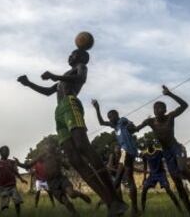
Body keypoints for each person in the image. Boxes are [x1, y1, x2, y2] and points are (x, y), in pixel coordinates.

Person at [17, 48, 127, 216]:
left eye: (73, 54)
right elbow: (48, 92)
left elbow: (81, 78)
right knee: (74, 159)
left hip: (70, 104)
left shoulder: (81, 67)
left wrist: (55, 76)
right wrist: (29, 83)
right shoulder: (63, 78)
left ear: (81, 56)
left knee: (83, 146)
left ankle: (115, 197)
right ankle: (110, 202)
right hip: (59, 112)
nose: (69, 56)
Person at [135, 85, 190, 217]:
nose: (157, 110)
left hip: (176, 147)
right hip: (166, 153)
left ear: (165, 110)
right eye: (155, 108)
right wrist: (129, 128)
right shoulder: (150, 121)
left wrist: (170, 94)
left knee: (183, 169)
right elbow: (137, 128)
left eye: (160, 108)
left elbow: (185, 105)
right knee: (177, 183)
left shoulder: (170, 117)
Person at [15, 141, 91, 217]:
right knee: (66, 202)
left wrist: (64, 161)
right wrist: (19, 164)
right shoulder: (42, 157)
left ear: (53, 149)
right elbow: (28, 165)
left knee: (72, 194)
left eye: (50, 148)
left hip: (61, 179)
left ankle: (81, 195)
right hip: (52, 183)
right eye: (47, 148)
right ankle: (75, 214)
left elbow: (67, 167)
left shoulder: (57, 157)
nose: (48, 150)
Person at [92, 99, 139, 216]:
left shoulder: (122, 121)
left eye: (111, 116)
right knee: (129, 178)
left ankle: (110, 204)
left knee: (117, 178)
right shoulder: (115, 127)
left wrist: (131, 125)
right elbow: (102, 123)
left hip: (127, 151)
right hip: (129, 152)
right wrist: (97, 108)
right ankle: (134, 209)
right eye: (109, 117)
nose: (110, 119)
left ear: (117, 115)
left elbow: (130, 125)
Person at [140, 140, 182, 214]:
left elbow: (168, 157)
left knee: (168, 189)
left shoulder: (159, 151)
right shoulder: (145, 154)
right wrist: (144, 177)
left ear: (153, 144)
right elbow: (145, 166)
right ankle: (142, 210)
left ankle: (179, 208)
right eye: (147, 144)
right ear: (146, 146)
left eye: (150, 143)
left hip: (161, 174)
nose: (149, 145)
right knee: (144, 190)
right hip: (152, 175)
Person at [0, 146, 27, 217]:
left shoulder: (12, 162)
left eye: (8, 151)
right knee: (4, 205)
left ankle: (18, 215)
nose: (7, 152)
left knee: (17, 201)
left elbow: (16, 172)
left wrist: (21, 179)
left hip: (13, 186)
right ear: (0, 153)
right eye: (5, 151)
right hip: (3, 187)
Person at [95, 145, 123, 210]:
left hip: (116, 176)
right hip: (110, 176)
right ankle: (100, 203)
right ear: (114, 150)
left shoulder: (121, 157)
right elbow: (109, 168)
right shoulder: (112, 156)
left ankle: (120, 208)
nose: (118, 150)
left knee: (117, 192)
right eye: (117, 148)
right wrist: (118, 170)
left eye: (119, 148)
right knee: (115, 192)